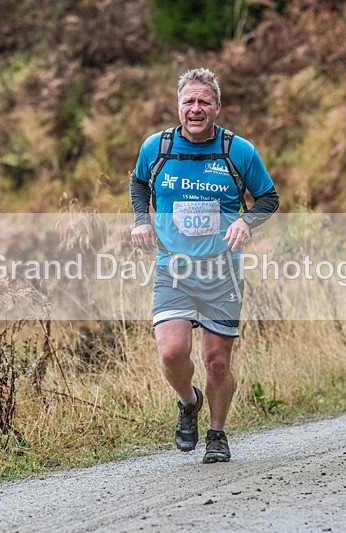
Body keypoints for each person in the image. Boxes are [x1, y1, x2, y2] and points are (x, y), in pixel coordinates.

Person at [129, 68, 279, 463]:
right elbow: (139, 182)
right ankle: (188, 401)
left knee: (217, 362)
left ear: (217, 107)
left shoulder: (237, 150)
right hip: (173, 269)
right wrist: (141, 220)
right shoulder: (157, 147)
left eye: (204, 102)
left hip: (221, 272)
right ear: (178, 105)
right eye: (189, 101)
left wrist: (246, 221)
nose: (196, 109)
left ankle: (216, 433)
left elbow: (268, 197)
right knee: (171, 354)